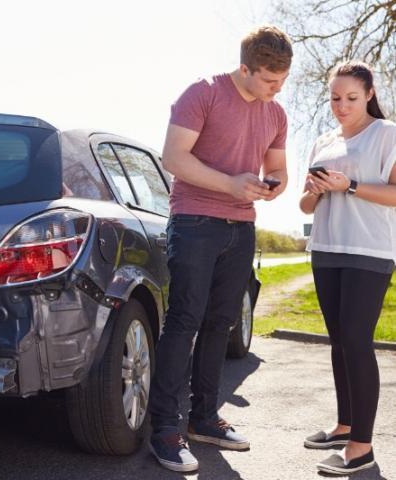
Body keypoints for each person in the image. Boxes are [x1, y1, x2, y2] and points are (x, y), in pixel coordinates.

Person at [148, 25, 293, 472]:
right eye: (269, 81)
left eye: (282, 82)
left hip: (242, 226)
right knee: (185, 319)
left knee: (221, 322)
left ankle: (204, 419)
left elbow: (279, 168)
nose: (275, 90)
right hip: (195, 221)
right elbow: (174, 158)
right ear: (245, 68)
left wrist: (274, 187)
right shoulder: (203, 93)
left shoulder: (275, 113)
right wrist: (231, 183)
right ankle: (164, 430)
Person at [300, 60, 396, 475]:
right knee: (339, 342)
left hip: (369, 251)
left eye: (351, 98)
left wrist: (350, 186)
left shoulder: (387, 135)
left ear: (369, 94)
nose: (342, 105)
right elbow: (304, 204)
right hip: (325, 249)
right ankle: (345, 425)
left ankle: (362, 447)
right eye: (335, 98)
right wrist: (318, 192)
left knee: (357, 341)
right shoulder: (323, 140)